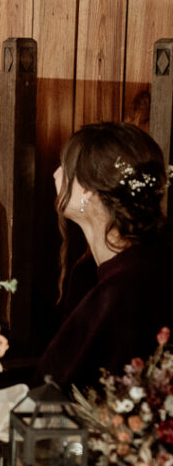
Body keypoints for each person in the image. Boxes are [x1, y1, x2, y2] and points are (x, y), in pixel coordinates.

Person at [36, 122, 173, 389]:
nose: (55, 173)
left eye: (65, 166)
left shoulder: (124, 288)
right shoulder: (99, 269)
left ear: (88, 190)